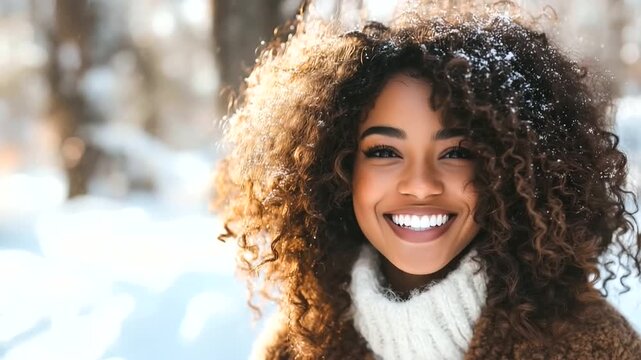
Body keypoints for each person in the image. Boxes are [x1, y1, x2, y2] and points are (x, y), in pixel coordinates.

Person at [213, 1, 641, 358]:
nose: (420, 184)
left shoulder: (592, 346)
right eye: (384, 152)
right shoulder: (296, 347)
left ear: (513, 172)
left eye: (457, 152)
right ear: (335, 170)